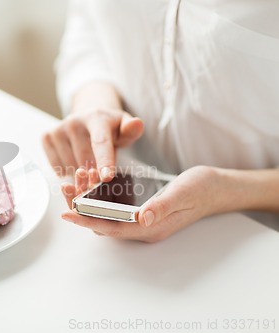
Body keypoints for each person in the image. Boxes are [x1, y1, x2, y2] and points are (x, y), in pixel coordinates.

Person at [42, 0, 279, 242]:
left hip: (256, 241)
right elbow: (89, 24)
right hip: (127, 197)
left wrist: (226, 191)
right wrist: (95, 105)